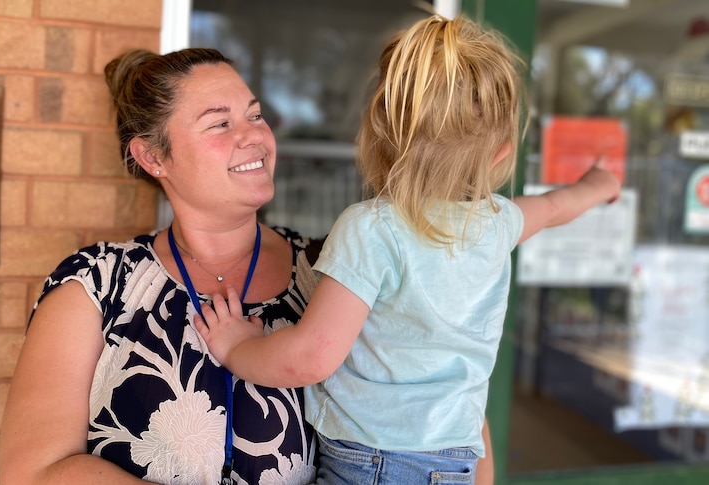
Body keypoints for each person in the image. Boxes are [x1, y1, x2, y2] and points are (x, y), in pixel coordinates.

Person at [194, 14, 622, 485]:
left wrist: (238, 346)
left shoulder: (373, 229)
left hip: (376, 463)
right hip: (455, 459)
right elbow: (558, 205)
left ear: (379, 132)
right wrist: (599, 185)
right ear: (501, 150)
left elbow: (310, 358)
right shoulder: (499, 222)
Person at [0, 47, 322, 484]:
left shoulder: (328, 272)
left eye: (256, 116)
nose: (255, 137)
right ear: (153, 157)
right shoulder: (97, 285)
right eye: (221, 123)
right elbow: (32, 473)